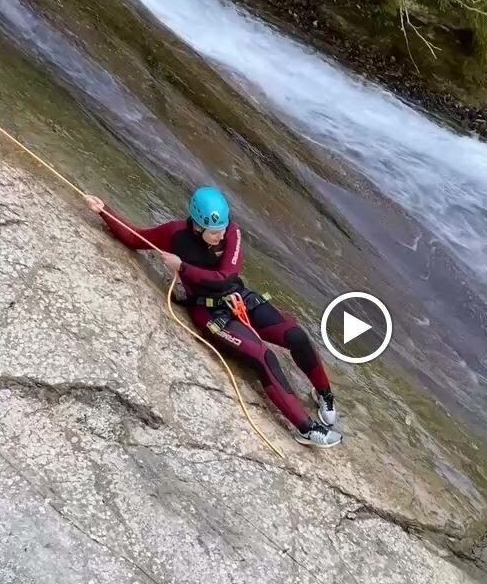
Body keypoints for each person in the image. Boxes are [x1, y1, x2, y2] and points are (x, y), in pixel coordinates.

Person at [86, 185, 342, 448]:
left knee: (296, 335)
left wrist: (182, 267)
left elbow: (226, 277)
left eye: (222, 228)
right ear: (197, 227)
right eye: (214, 232)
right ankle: (306, 429)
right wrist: (104, 210)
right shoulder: (175, 235)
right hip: (209, 313)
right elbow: (135, 238)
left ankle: (323, 393)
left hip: (239, 298)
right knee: (262, 357)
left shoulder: (232, 231)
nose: (221, 235)